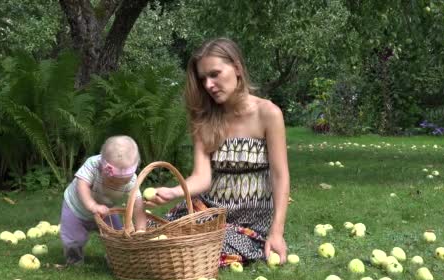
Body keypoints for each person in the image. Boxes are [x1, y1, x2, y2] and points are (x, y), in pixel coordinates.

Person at [147, 37, 290, 266]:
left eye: (215, 74)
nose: (208, 85)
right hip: (208, 213)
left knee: (199, 249)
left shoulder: (268, 114)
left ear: (237, 68)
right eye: (204, 78)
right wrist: (174, 192)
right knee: (157, 236)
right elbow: (202, 178)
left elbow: (280, 175)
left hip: (249, 221)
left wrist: (277, 232)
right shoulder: (204, 118)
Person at [59, 135, 147, 265]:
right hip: (76, 209)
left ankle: (115, 258)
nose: (117, 185)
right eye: (113, 181)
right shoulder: (93, 164)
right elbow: (81, 185)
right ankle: (74, 260)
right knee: (74, 239)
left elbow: (138, 208)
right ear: (103, 165)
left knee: (117, 235)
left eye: (124, 182)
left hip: (106, 211)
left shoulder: (132, 180)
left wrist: (141, 231)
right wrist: (92, 205)